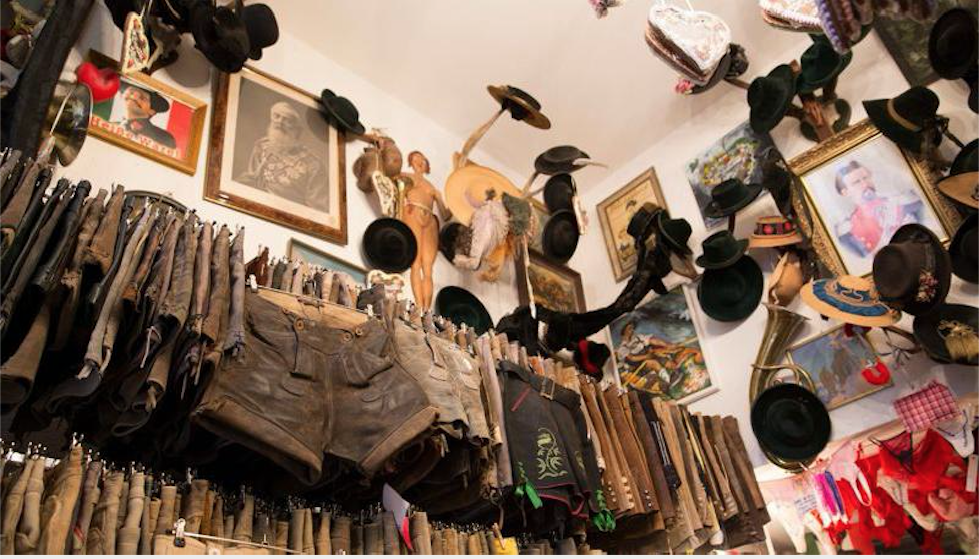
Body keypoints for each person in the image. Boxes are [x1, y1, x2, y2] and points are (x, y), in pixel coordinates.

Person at [236, 101, 327, 211]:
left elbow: (317, 209)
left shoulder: (314, 164)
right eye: (277, 116)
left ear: (297, 130)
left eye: (287, 119)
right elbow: (253, 178)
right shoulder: (261, 146)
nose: (280, 122)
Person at [833, 160, 925, 257]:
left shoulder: (906, 203)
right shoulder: (846, 232)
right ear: (845, 192)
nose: (865, 184)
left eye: (866, 178)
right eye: (856, 182)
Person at [403, 151, 450, 311]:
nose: (419, 161)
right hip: (413, 212)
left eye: (422, 159)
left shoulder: (432, 187)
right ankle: (419, 306)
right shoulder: (406, 176)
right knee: (415, 263)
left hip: (430, 219)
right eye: (415, 159)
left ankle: (426, 310)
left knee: (428, 268)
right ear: (411, 162)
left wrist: (440, 197)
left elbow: (446, 215)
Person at [116, 83, 176, 149]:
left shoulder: (163, 137)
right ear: (122, 96)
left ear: (151, 111)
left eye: (142, 98)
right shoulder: (113, 125)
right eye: (131, 92)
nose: (134, 96)